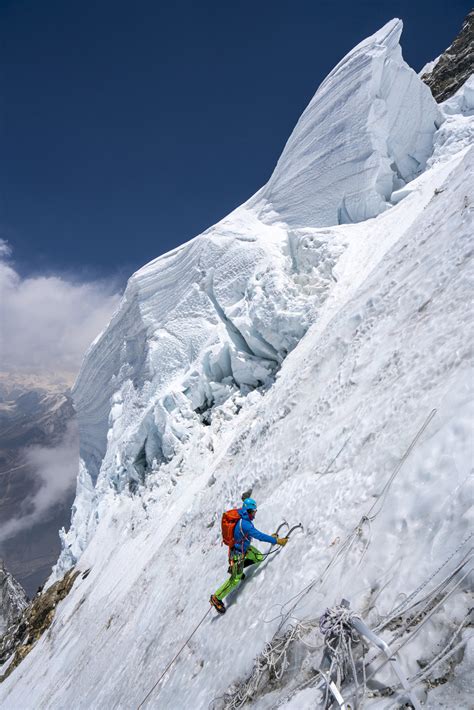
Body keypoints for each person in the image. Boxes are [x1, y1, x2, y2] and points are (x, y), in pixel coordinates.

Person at [210, 497, 288, 614]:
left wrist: (272, 538)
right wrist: (276, 541)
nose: (255, 513)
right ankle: (216, 598)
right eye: (253, 511)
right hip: (238, 554)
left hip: (242, 548)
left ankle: (235, 569)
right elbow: (259, 536)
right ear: (249, 511)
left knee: (259, 557)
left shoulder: (241, 517)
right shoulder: (245, 524)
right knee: (235, 580)